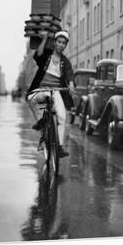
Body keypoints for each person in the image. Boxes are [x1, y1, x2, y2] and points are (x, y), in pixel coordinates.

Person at [26, 30, 75, 158]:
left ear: (65, 45)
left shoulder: (65, 61)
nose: (61, 45)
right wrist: (44, 39)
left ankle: (59, 147)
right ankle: (41, 122)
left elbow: (70, 74)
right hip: (42, 89)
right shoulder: (47, 55)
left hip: (56, 91)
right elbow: (38, 55)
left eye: (64, 43)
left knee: (62, 116)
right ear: (55, 42)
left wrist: (71, 84)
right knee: (31, 100)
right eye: (59, 42)